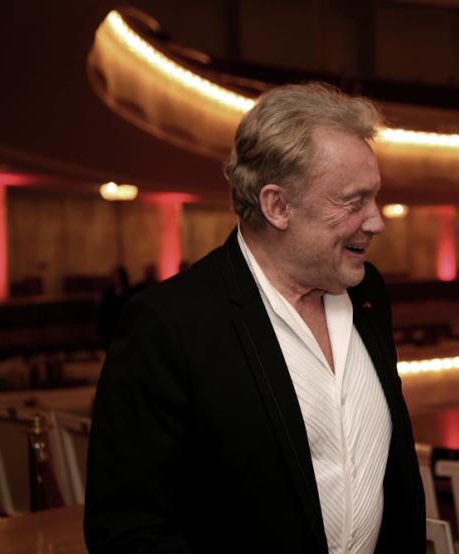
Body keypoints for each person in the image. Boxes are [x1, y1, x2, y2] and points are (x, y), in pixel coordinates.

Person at [84, 83, 425, 553]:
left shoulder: (369, 295)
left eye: (375, 198)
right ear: (277, 206)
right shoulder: (167, 325)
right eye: (354, 202)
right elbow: (127, 529)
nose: (377, 221)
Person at [97, 265, 131, 350]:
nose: (115, 278)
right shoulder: (108, 294)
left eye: (117, 276)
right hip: (110, 328)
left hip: (124, 328)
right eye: (113, 276)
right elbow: (103, 312)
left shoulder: (129, 293)